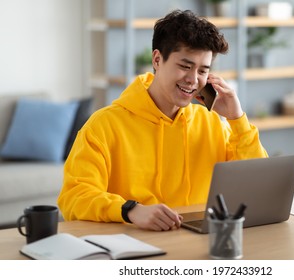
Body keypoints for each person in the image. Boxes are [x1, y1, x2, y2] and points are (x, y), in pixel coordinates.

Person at [57, 9, 268, 231]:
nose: (193, 80)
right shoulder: (103, 125)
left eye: (203, 70)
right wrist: (130, 210)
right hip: (136, 245)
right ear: (157, 59)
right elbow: (74, 198)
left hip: (198, 245)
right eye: (185, 66)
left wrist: (237, 119)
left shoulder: (211, 122)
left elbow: (258, 184)